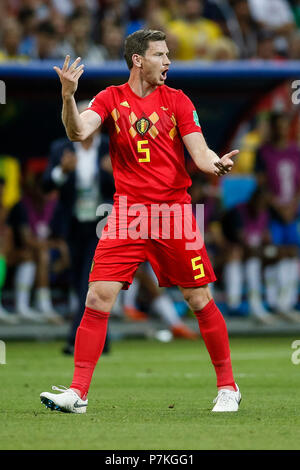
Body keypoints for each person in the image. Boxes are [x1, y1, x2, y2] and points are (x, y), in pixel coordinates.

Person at [40, 29, 241, 414]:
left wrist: (216, 163)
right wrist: (67, 96)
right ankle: (78, 393)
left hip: (173, 213)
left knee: (197, 299)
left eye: (168, 55)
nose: (168, 62)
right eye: (160, 55)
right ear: (138, 60)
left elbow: (199, 152)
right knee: (97, 297)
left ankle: (228, 387)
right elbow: (77, 130)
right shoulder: (110, 98)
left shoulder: (179, 101)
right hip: (127, 215)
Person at [43, 102, 114, 353]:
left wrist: (112, 172)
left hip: (101, 224)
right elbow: (46, 186)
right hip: (71, 225)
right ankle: (102, 340)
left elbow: (127, 182)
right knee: (76, 282)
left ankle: (77, 340)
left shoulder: (109, 146)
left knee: (87, 281)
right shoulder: (60, 148)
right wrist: (61, 172)